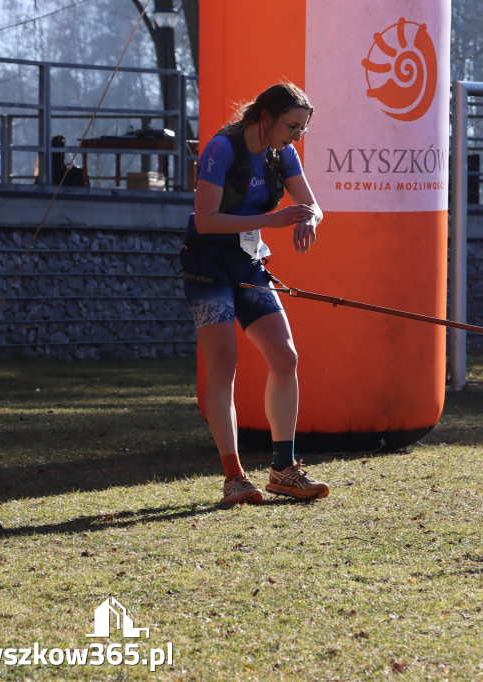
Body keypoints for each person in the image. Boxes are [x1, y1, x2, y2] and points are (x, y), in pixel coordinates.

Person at [180, 83, 330, 505]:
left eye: (302, 129)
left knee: (285, 356)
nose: (296, 137)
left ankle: (284, 470)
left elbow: (314, 206)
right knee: (224, 364)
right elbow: (206, 220)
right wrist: (272, 220)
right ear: (266, 115)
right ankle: (234, 477)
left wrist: (309, 220)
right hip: (208, 266)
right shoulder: (222, 149)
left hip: (248, 263)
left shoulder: (283, 153)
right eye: (292, 126)